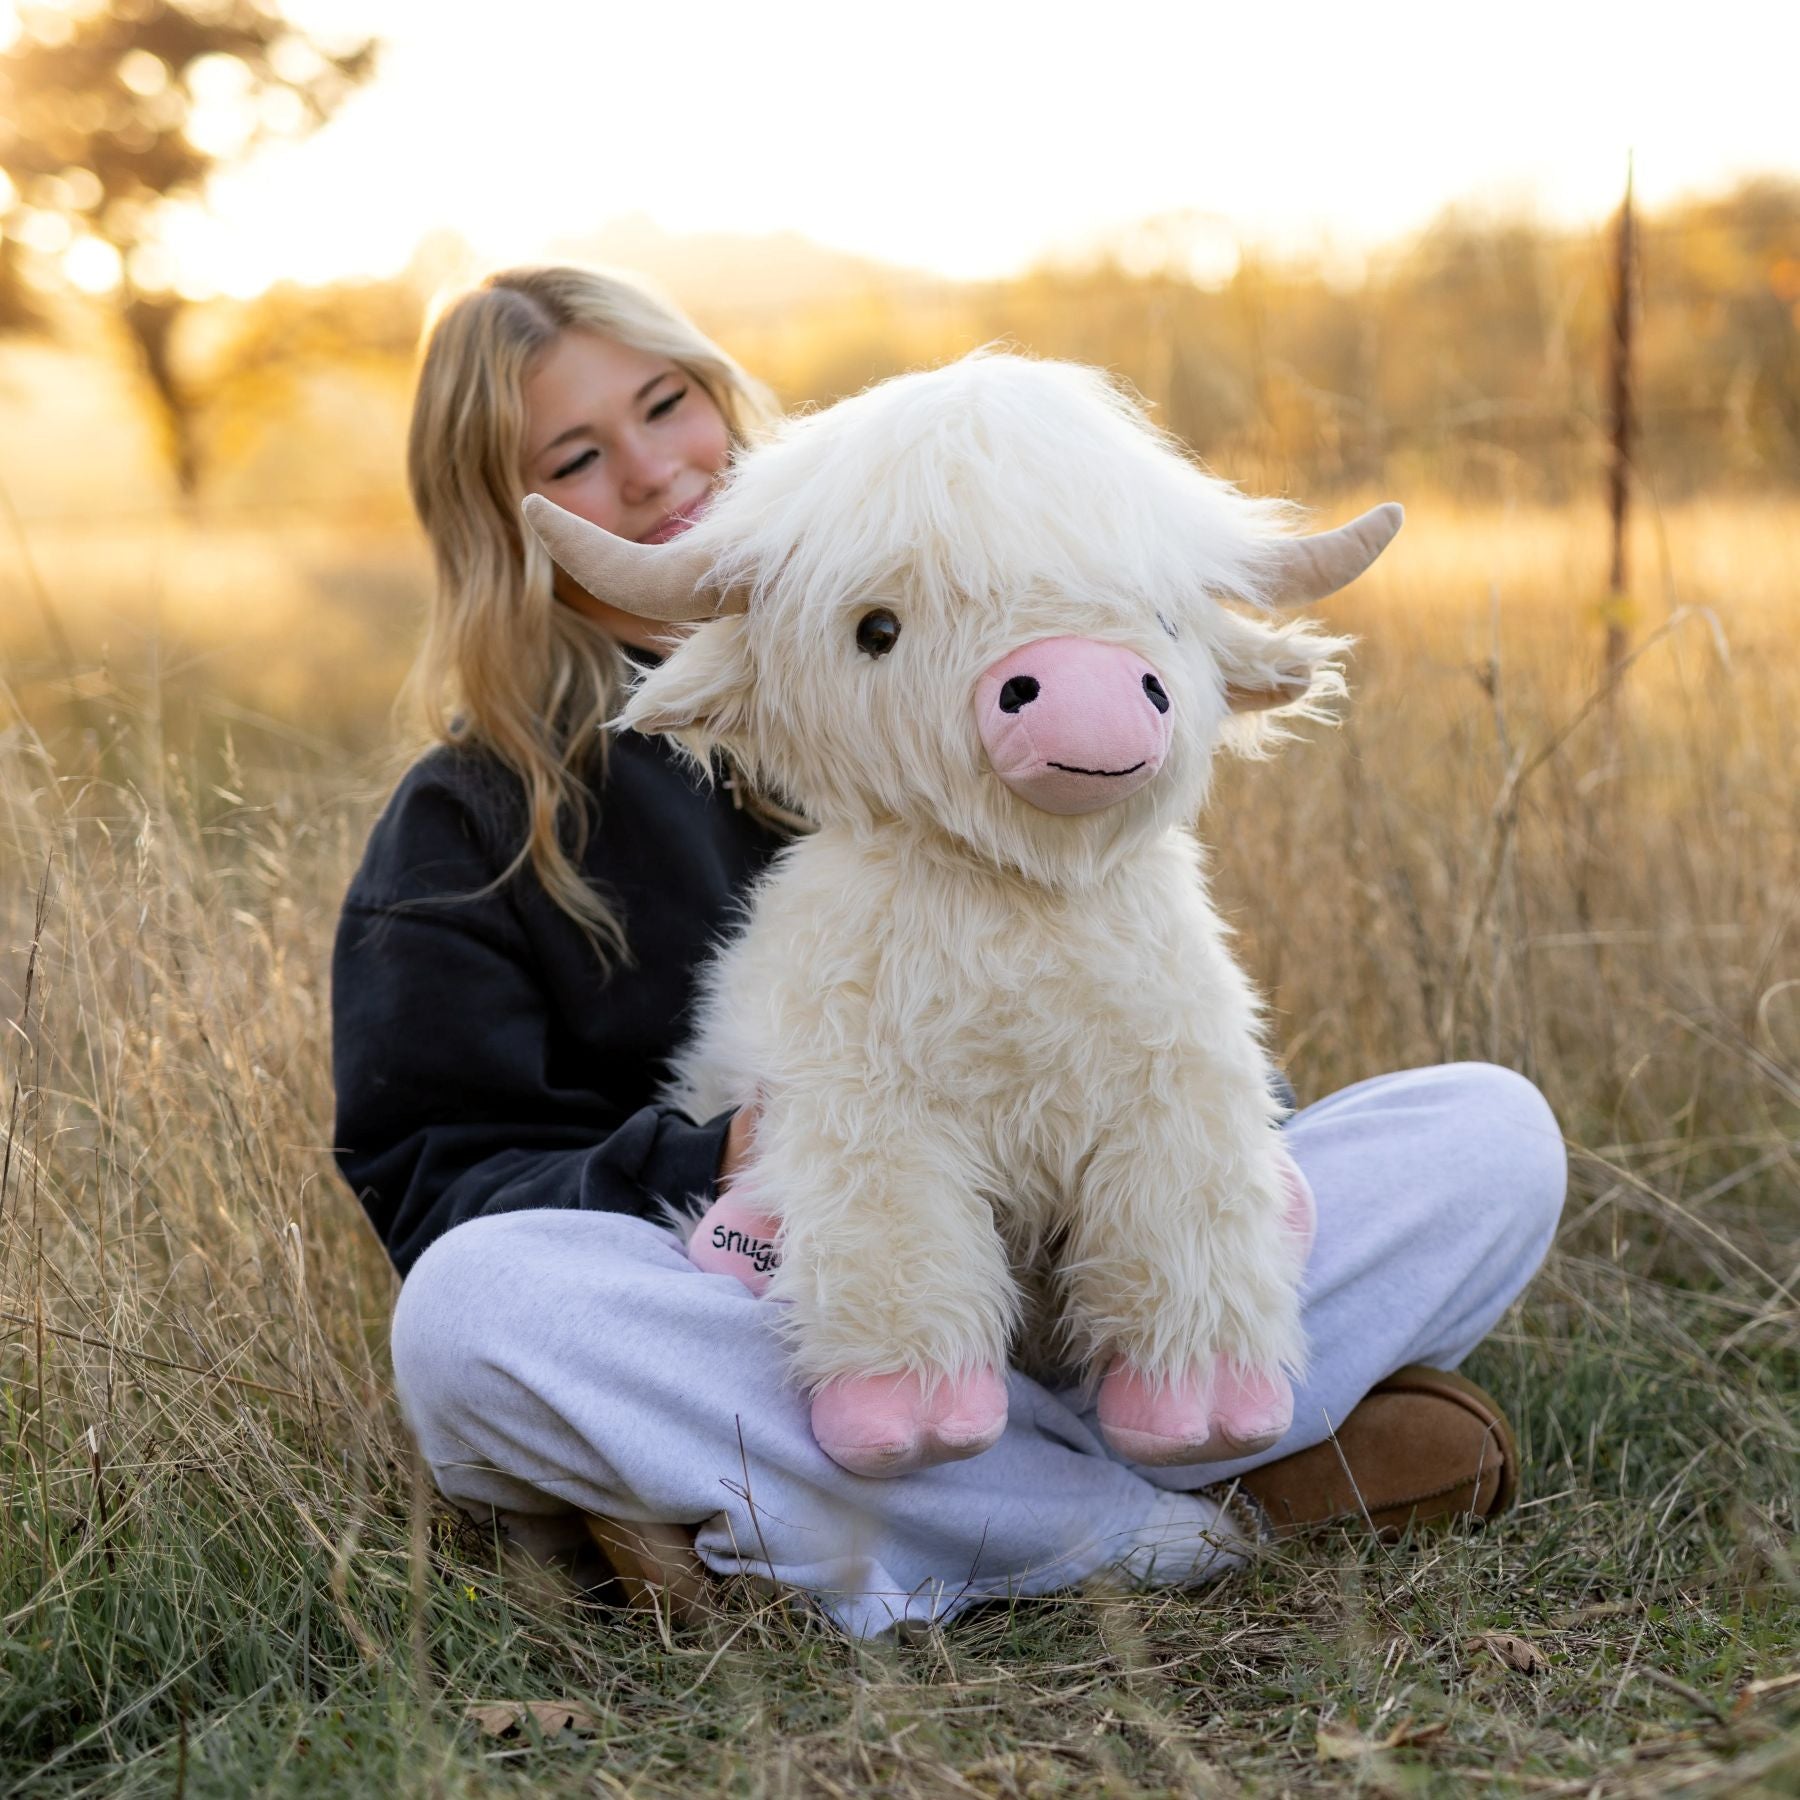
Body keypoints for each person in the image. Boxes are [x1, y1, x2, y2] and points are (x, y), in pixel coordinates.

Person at [333, 264, 1569, 1639]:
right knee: (472, 1317)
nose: (650, 468)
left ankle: (882, 1508)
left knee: (1489, 1133)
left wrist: (1197, 1174)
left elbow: (1145, 1006)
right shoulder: (476, 815)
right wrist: (725, 1161)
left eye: (665, 403)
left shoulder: (990, 631)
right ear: (508, 524)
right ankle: (1195, 1514)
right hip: (778, 1302)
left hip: (1077, 1258)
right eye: (575, 455)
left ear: (719, 394)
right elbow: (435, 1178)